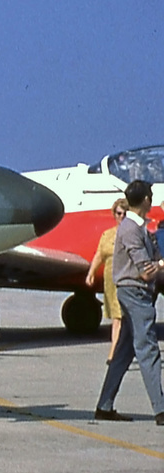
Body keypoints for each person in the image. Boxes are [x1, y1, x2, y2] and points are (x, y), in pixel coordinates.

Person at [94, 180, 164, 425]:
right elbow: (146, 270)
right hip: (135, 292)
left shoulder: (140, 228)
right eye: (151, 195)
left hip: (134, 291)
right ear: (145, 199)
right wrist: (161, 265)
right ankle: (161, 410)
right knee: (148, 347)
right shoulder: (132, 230)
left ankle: (104, 405)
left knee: (124, 350)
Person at [88, 198, 129, 361]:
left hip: (126, 280)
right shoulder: (107, 234)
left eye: (125, 214)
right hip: (110, 282)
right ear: (114, 214)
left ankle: (114, 352)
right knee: (116, 317)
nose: (122, 217)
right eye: (119, 213)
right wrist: (91, 273)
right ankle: (121, 349)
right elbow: (100, 254)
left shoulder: (133, 234)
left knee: (119, 318)